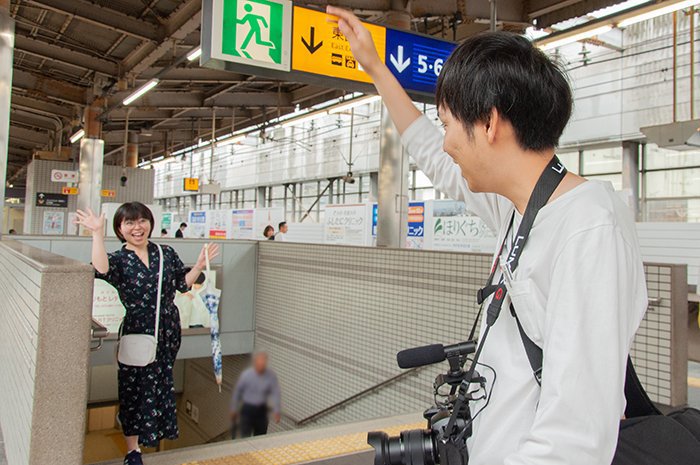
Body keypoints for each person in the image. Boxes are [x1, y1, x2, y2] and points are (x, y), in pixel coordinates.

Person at [328, 6, 647, 465]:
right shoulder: (520, 208)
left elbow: (574, 440)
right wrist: (376, 68)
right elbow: (430, 156)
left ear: (490, 123)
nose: (445, 142)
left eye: (449, 124)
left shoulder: (588, 230)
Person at [74, 203, 219, 465]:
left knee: (160, 383)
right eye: (129, 223)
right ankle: (133, 451)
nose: (137, 227)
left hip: (167, 331)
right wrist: (97, 233)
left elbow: (180, 285)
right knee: (133, 389)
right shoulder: (118, 259)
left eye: (142, 221)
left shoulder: (166, 253)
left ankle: (152, 435)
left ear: (150, 223)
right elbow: (102, 269)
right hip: (137, 330)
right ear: (120, 229)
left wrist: (197, 265)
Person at [230, 352, 281, 438]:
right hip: (247, 410)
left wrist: (277, 410)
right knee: (245, 436)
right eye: (259, 362)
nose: (261, 365)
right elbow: (238, 392)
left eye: (263, 363)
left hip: (262, 410)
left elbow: (276, 392)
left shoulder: (270, 376)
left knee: (260, 437)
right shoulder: (246, 375)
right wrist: (234, 408)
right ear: (255, 363)